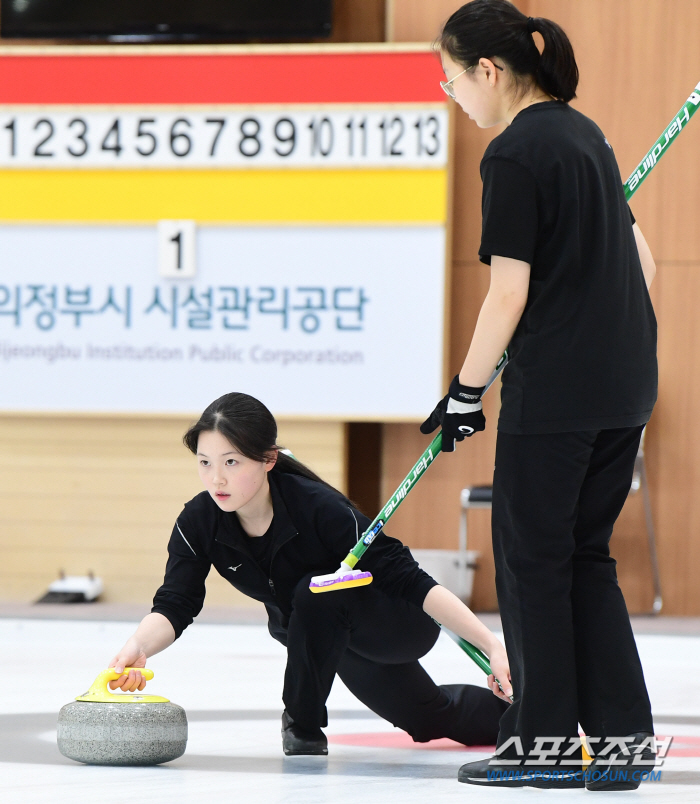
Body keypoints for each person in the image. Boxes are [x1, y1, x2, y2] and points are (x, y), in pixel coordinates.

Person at [420, 0, 658, 791]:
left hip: (556, 395)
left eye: (452, 80)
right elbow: (644, 270)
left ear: (489, 71)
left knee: (532, 566)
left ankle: (540, 749)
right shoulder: (588, 136)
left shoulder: (516, 154)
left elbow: (507, 293)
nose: (453, 95)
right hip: (625, 386)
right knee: (584, 560)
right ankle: (622, 748)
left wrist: (463, 392)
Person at [108, 391, 511, 756]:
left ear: (268, 458)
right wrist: (138, 646)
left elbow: (410, 579)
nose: (217, 478)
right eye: (205, 463)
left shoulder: (318, 508)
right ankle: (527, 718)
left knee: (315, 590)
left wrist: (492, 647)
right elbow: (176, 603)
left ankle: (302, 726)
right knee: (429, 720)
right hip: (326, 641)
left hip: (394, 624)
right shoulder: (199, 522)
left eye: (232, 462)